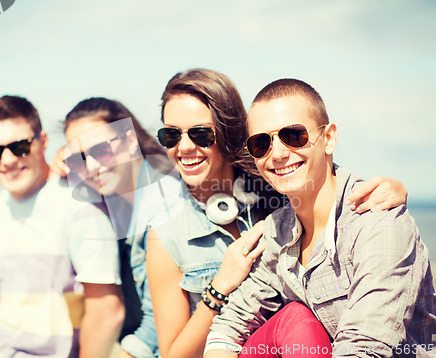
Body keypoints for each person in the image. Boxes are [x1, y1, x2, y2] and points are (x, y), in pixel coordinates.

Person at [146, 68, 409, 358]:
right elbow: (178, 351)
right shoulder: (168, 233)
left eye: (201, 134)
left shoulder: (277, 188)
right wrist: (220, 286)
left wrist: (393, 189)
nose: (184, 146)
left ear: (227, 132)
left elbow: (321, 173)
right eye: (171, 135)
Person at [205, 79, 436, 358]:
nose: (277, 153)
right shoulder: (278, 231)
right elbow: (230, 325)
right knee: (293, 317)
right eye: (261, 143)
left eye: (293, 135)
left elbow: (365, 347)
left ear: (328, 138)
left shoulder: (378, 223)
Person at [0, 95, 124, 358]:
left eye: (20, 146)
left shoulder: (79, 203)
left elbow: (108, 310)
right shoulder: (0, 206)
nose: (6, 160)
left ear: (44, 141)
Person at [52, 97, 182, 358]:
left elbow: (160, 324)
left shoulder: (164, 204)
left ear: (130, 140)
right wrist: (60, 166)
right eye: (79, 158)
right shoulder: (119, 189)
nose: (91, 167)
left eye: (101, 150)